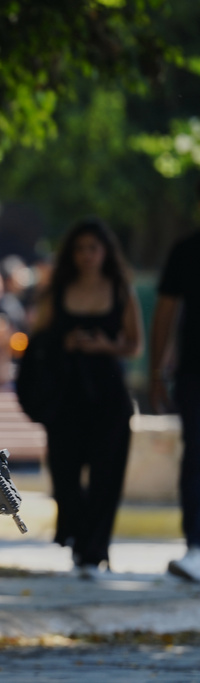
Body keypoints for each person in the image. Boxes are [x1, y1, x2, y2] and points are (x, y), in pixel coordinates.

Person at [32, 218, 141, 579]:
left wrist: (105, 346)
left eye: (93, 248)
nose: (87, 255)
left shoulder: (121, 289)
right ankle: (78, 540)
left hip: (108, 394)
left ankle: (95, 551)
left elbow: (134, 344)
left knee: (107, 475)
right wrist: (65, 344)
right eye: (80, 248)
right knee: (64, 473)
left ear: (105, 251)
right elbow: (38, 341)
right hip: (67, 396)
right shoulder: (57, 290)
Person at [150, 183, 200, 582]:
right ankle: (197, 547)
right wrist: (156, 373)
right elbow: (165, 313)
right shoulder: (187, 250)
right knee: (197, 456)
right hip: (194, 372)